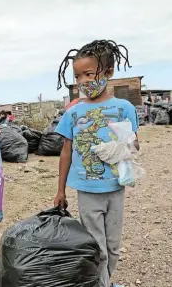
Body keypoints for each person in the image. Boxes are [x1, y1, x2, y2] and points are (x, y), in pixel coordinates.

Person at [54, 40, 140, 287]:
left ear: (108, 72)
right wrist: (60, 190)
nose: (82, 82)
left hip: (116, 188)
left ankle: (105, 282)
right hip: (88, 191)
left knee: (112, 248)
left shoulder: (124, 108)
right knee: (97, 248)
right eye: (77, 76)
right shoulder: (73, 113)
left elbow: (135, 144)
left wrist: (120, 148)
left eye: (89, 74)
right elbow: (66, 153)